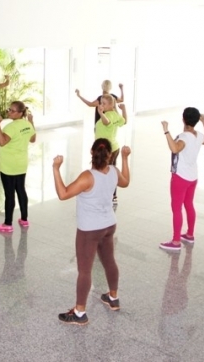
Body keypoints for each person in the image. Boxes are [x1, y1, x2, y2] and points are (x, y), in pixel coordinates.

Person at [52, 138, 131, 325]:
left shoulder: (87, 177)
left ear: (91, 153)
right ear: (110, 155)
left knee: (85, 270)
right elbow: (126, 182)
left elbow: (63, 194)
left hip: (89, 230)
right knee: (109, 261)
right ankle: (113, 297)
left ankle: (79, 313)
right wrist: (126, 158)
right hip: (109, 225)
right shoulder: (114, 171)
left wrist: (56, 168)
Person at [159, 108, 204, 251]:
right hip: (193, 177)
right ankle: (189, 234)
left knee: (176, 208)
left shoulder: (184, 137)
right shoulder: (198, 135)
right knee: (189, 204)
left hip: (180, 178)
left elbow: (175, 148)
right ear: (196, 121)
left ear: (183, 119)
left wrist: (166, 131)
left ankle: (176, 241)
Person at [0, 101, 36, 232]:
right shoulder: (27, 124)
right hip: (21, 164)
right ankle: (24, 219)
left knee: (9, 194)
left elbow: (2, 142)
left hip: (9, 165)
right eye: (9, 109)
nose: (9, 112)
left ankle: (7, 224)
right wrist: (31, 121)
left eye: (12, 111)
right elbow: (33, 139)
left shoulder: (11, 127)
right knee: (21, 190)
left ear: (20, 113)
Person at [95, 94, 127, 203]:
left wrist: (100, 113)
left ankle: (105, 195)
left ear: (110, 105)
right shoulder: (115, 114)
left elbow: (106, 122)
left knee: (104, 172)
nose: (101, 105)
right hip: (114, 148)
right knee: (111, 171)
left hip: (107, 150)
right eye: (101, 103)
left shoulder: (108, 116)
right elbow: (124, 121)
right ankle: (112, 195)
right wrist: (123, 110)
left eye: (104, 104)